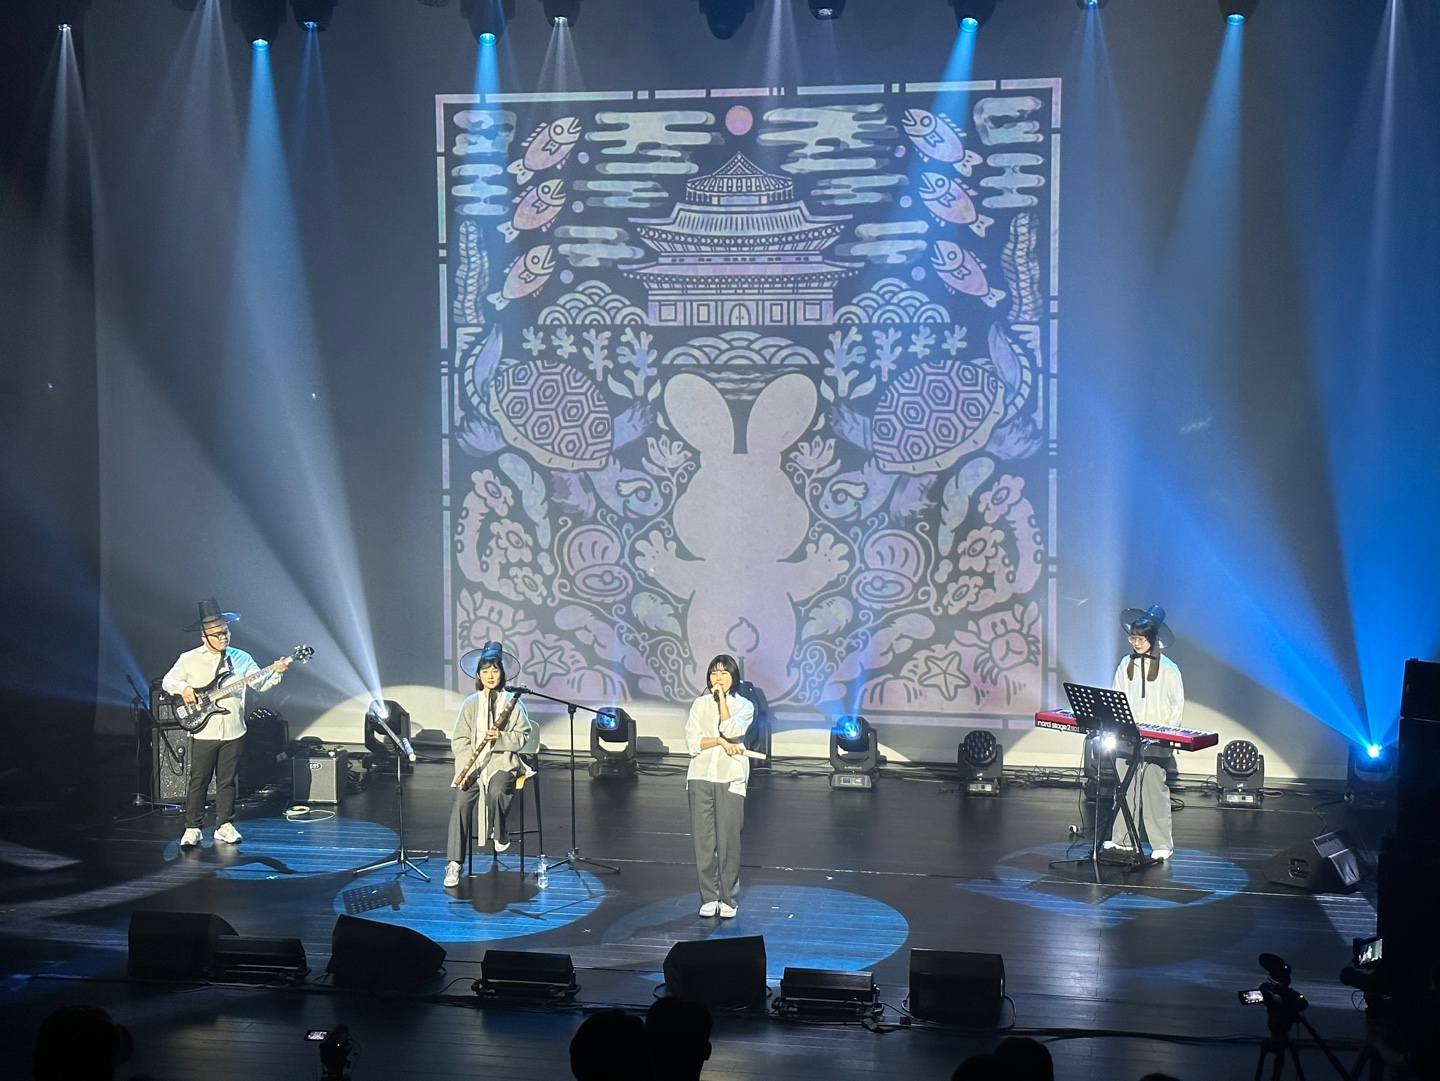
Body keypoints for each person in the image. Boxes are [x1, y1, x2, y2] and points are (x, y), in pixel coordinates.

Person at [162, 597, 289, 847]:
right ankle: (192, 828)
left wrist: (276, 671)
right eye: (218, 634)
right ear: (204, 637)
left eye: (226, 632)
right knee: (199, 780)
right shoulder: (189, 659)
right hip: (204, 729)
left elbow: (260, 684)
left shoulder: (241, 658)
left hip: (233, 728)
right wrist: (183, 688)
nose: (224, 637)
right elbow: (168, 681)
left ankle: (225, 825)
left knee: (227, 780)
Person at [444, 640, 538, 888]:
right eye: (485, 671)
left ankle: (500, 831)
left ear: (502, 673)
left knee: (497, 790)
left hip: (502, 761)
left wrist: (500, 737)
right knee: (461, 801)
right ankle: (454, 863)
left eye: (494, 670)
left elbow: (523, 735)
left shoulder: (513, 702)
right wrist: (467, 767)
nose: (490, 675)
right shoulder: (471, 703)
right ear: (478, 675)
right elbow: (460, 739)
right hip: (474, 765)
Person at [1105, 604, 1182, 860]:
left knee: (1153, 791)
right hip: (1127, 737)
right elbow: (1117, 697)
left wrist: (1167, 735)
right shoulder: (1125, 664)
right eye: (1133, 638)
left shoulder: (1169, 668)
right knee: (1125, 789)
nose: (1136, 643)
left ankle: (1162, 844)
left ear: (1152, 639)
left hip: (1156, 740)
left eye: (1141, 638)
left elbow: (1176, 706)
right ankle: (1122, 839)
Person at [685, 653, 754, 918]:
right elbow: (692, 742)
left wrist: (723, 700)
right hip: (700, 775)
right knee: (703, 841)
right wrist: (718, 742)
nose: (718, 678)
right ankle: (709, 897)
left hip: (730, 777)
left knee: (728, 841)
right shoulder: (699, 704)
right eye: (714, 673)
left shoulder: (744, 705)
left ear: (733, 677)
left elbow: (731, 729)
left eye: (724, 673)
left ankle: (728, 898)